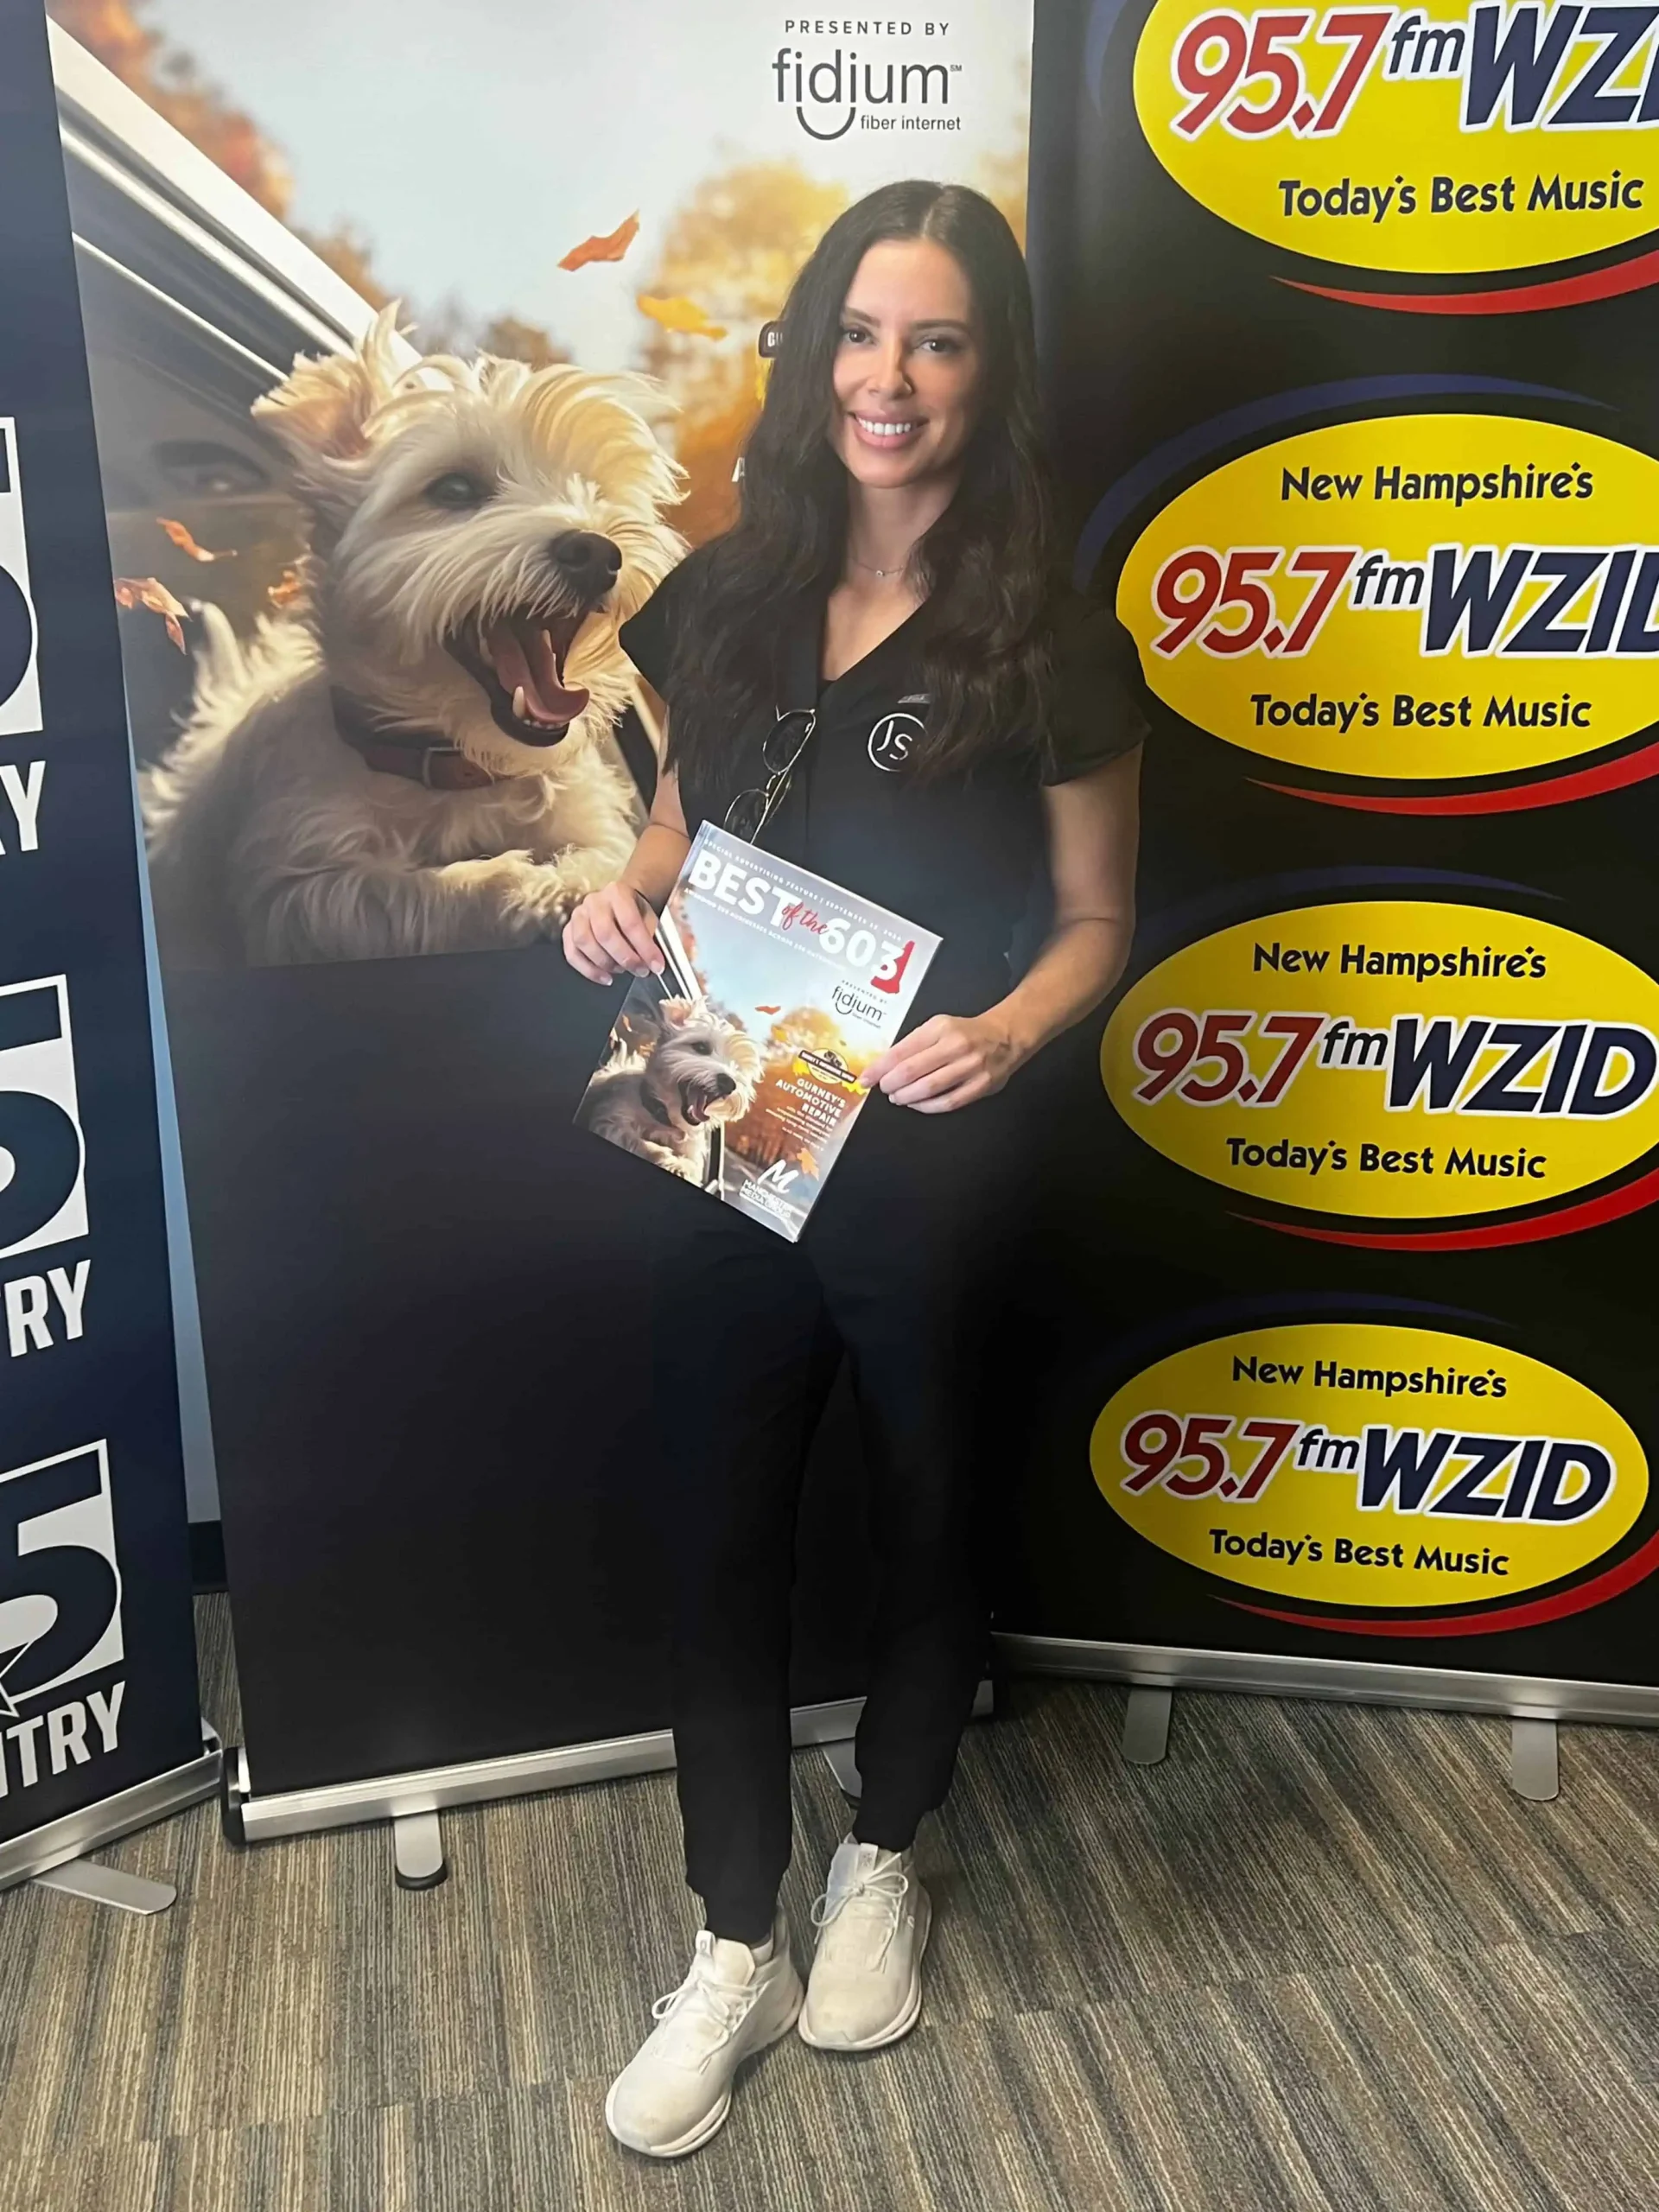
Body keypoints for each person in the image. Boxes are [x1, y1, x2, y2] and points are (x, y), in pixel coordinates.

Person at [563, 180, 1145, 2160]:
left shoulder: (1049, 637)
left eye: (938, 340)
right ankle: (733, 1935)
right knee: (715, 1531)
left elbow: (1096, 920)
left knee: (924, 1509)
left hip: (923, 1162)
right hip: (720, 1133)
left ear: (989, 374)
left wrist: (1017, 1026)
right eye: (860, 336)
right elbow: (668, 836)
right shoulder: (722, 593)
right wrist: (610, 913)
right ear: (813, 355)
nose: (889, 379)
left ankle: (883, 1847)